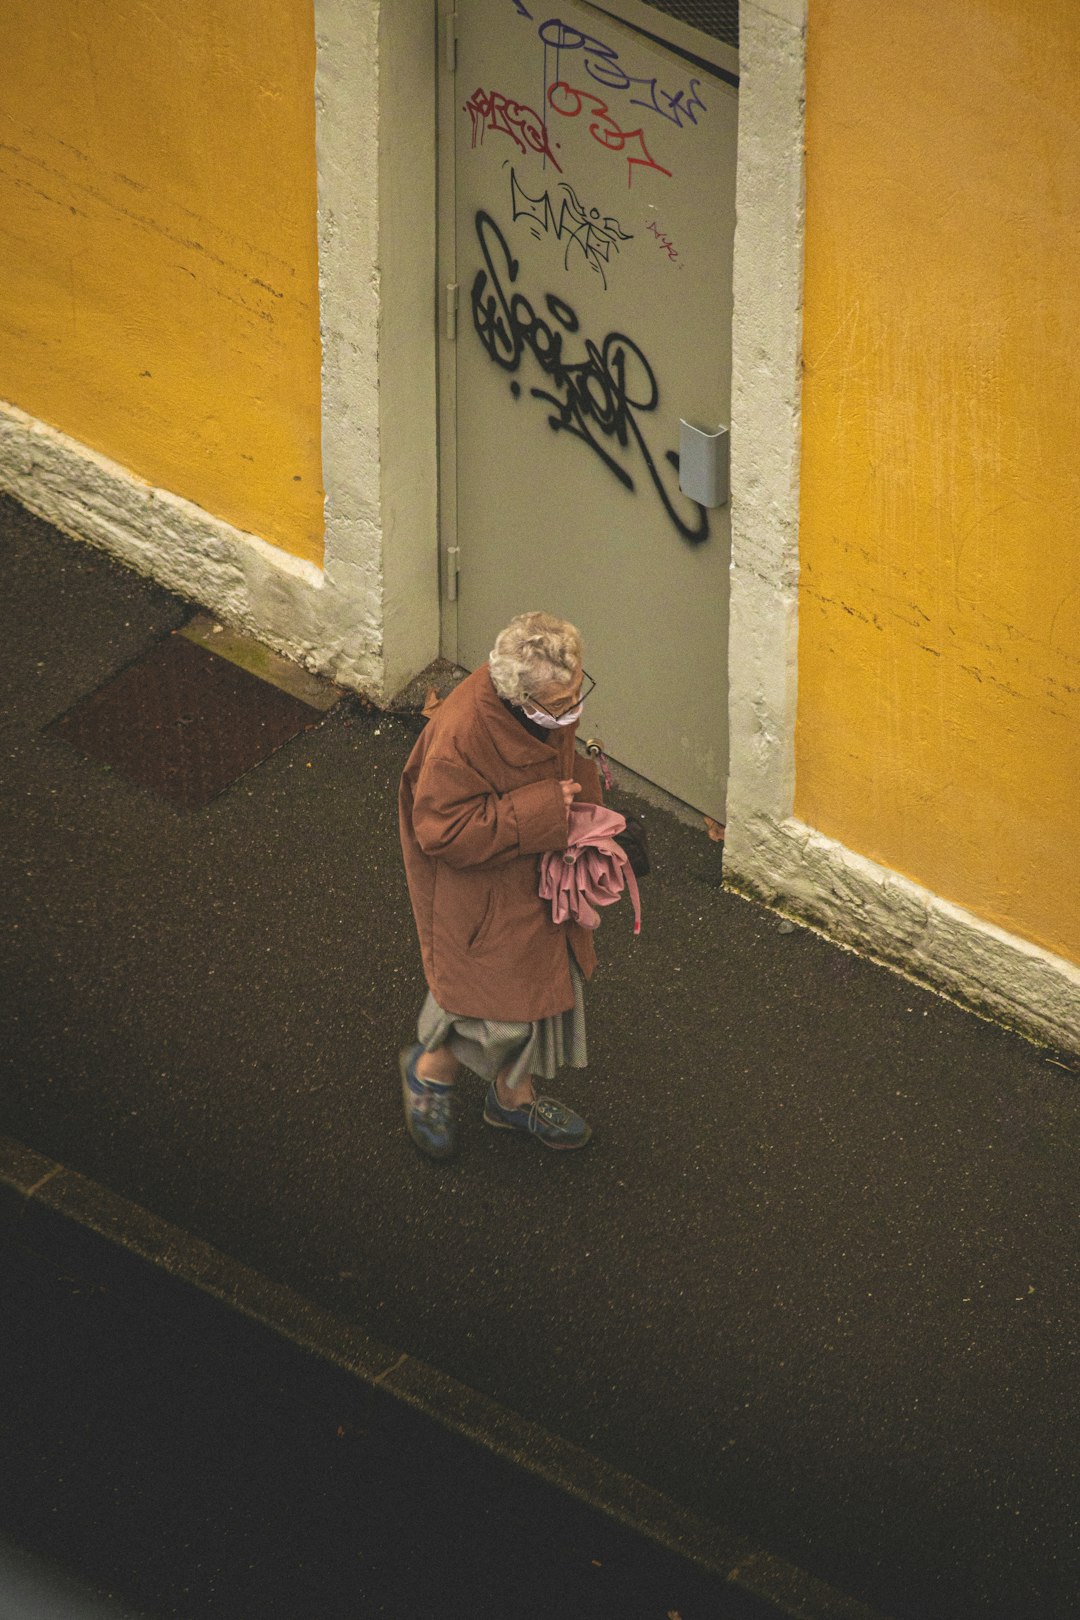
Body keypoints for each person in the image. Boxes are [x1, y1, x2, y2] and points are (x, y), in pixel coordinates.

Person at [398, 611, 604, 1158]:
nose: (572, 714)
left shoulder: (545, 705)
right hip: (484, 895)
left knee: (535, 994)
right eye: (561, 706)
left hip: (532, 876)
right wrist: (541, 810)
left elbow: (552, 760)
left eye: (578, 690)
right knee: (486, 1007)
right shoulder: (460, 735)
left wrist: (586, 804)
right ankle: (429, 1076)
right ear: (519, 697)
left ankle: (512, 1101)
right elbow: (439, 831)